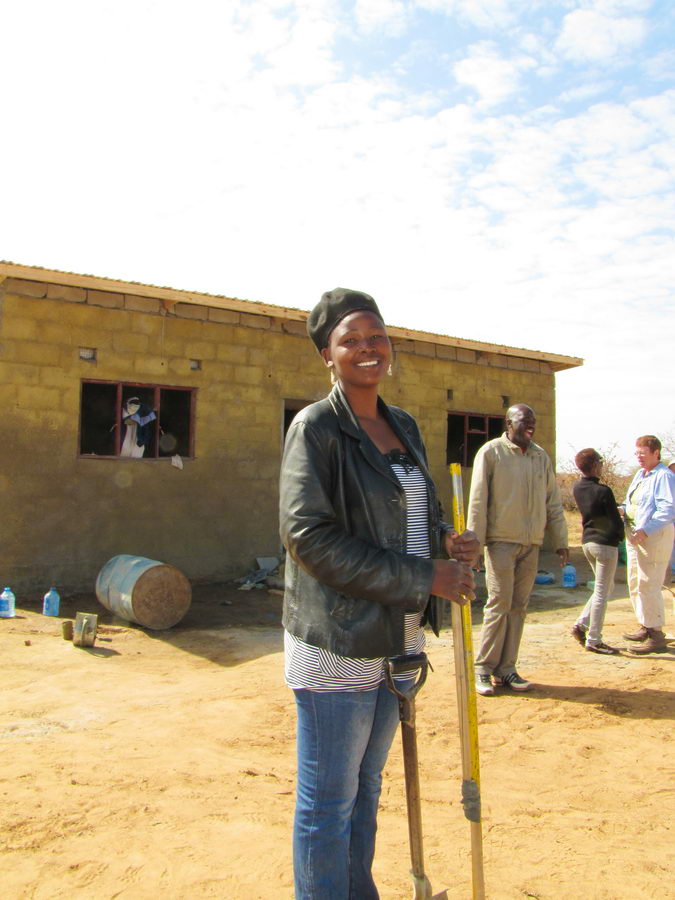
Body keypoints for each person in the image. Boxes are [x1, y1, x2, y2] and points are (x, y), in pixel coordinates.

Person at [279, 288, 478, 900]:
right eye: (351, 340)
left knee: (367, 789)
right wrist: (424, 578)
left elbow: (406, 514)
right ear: (327, 354)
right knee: (327, 803)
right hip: (337, 639)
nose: (368, 349)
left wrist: (445, 540)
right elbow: (307, 537)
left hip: (397, 636)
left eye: (377, 337)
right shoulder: (316, 427)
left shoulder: (404, 425)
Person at [467, 403, 568, 696]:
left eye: (533, 421)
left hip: (531, 543)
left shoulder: (540, 456)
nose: (531, 425)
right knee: (499, 604)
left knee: (519, 607)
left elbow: (553, 502)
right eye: (525, 421)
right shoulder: (491, 452)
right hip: (500, 542)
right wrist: (475, 546)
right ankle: (483, 668)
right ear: (509, 424)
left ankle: (506, 669)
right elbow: (478, 501)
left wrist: (560, 540)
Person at [619, 436, 675, 654]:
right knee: (635, 581)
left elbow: (667, 509)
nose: (639, 457)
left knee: (649, 583)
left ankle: (656, 635)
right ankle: (645, 624)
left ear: (656, 453)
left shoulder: (664, 476)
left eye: (642, 453)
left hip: (653, 536)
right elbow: (631, 502)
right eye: (637, 453)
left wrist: (646, 530)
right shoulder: (640, 475)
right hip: (634, 535)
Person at [569, 448, 624, 654]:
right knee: (602, 592)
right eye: (600, 462)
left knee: (605, 588)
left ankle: (581, 624)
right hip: (605, 545)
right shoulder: (604, 491)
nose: (602, 465)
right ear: (594, 465)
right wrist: (621, 536)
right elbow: (615, 521)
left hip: (588, 543)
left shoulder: (577, 488)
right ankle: (594, 639)